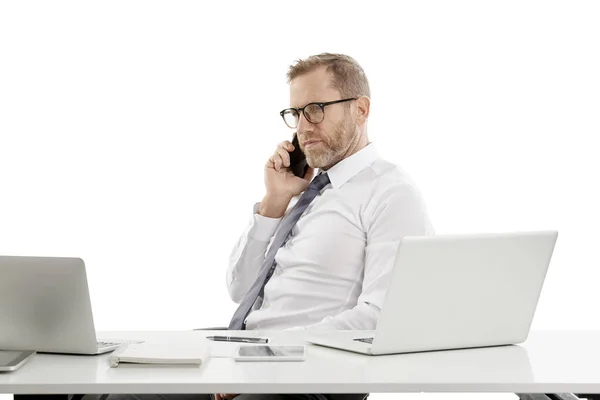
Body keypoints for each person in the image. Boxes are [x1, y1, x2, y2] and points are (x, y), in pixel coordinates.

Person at [95, 53, 435, 400]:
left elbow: (382, 318)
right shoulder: (309, 192)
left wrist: (266, 359)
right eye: (296, 113)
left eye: (316, 109)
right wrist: (273, 202)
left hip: (311, 373)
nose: (302, 127)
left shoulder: (392, 193)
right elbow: (240, 289)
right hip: (252, 347)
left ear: (360, 110)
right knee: (122, 385)